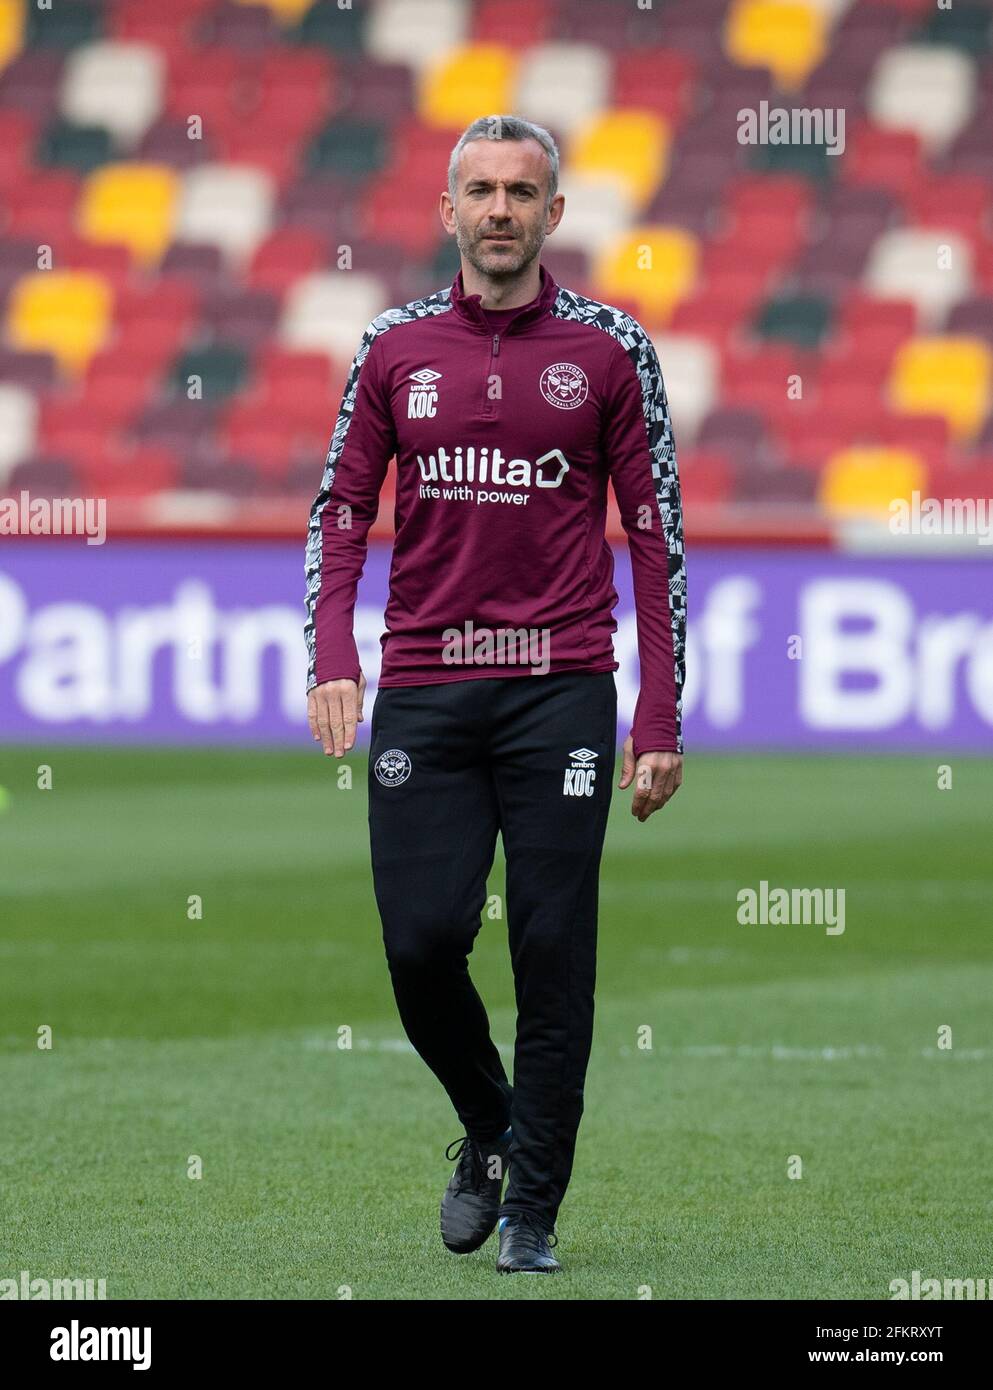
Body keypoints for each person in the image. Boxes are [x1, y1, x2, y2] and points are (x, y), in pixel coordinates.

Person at [305, 115, 685, 1274]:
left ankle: (534, 1212)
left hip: (560, 685)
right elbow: (339, 510)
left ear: (554, 212)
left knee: (550, 948)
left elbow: (656, 537)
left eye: (522, 191)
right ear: (449, 211)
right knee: (422, 944)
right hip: (427, 683)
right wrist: (334, 654)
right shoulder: (393, 347)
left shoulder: (612, 349)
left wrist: (658, 715)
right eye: (481, 190)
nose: (501, 210)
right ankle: (489, 1124)